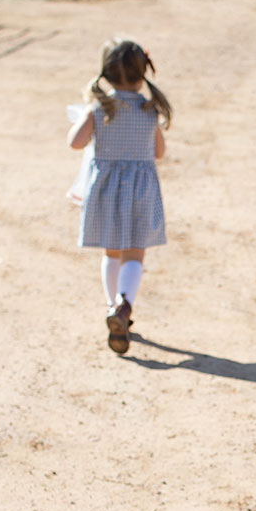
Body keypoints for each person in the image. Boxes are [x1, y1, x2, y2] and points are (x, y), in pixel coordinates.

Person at [67, 38, 172, 355]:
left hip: (107, 193)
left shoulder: (100, 109)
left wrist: (88, 117)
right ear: (143, 76)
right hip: (140, 193)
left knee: (112, 253)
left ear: (107, 74)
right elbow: (160, 152)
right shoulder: (148, 110)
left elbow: (75, 142)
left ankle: (113, 304)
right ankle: (124, 308)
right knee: (134, 255)